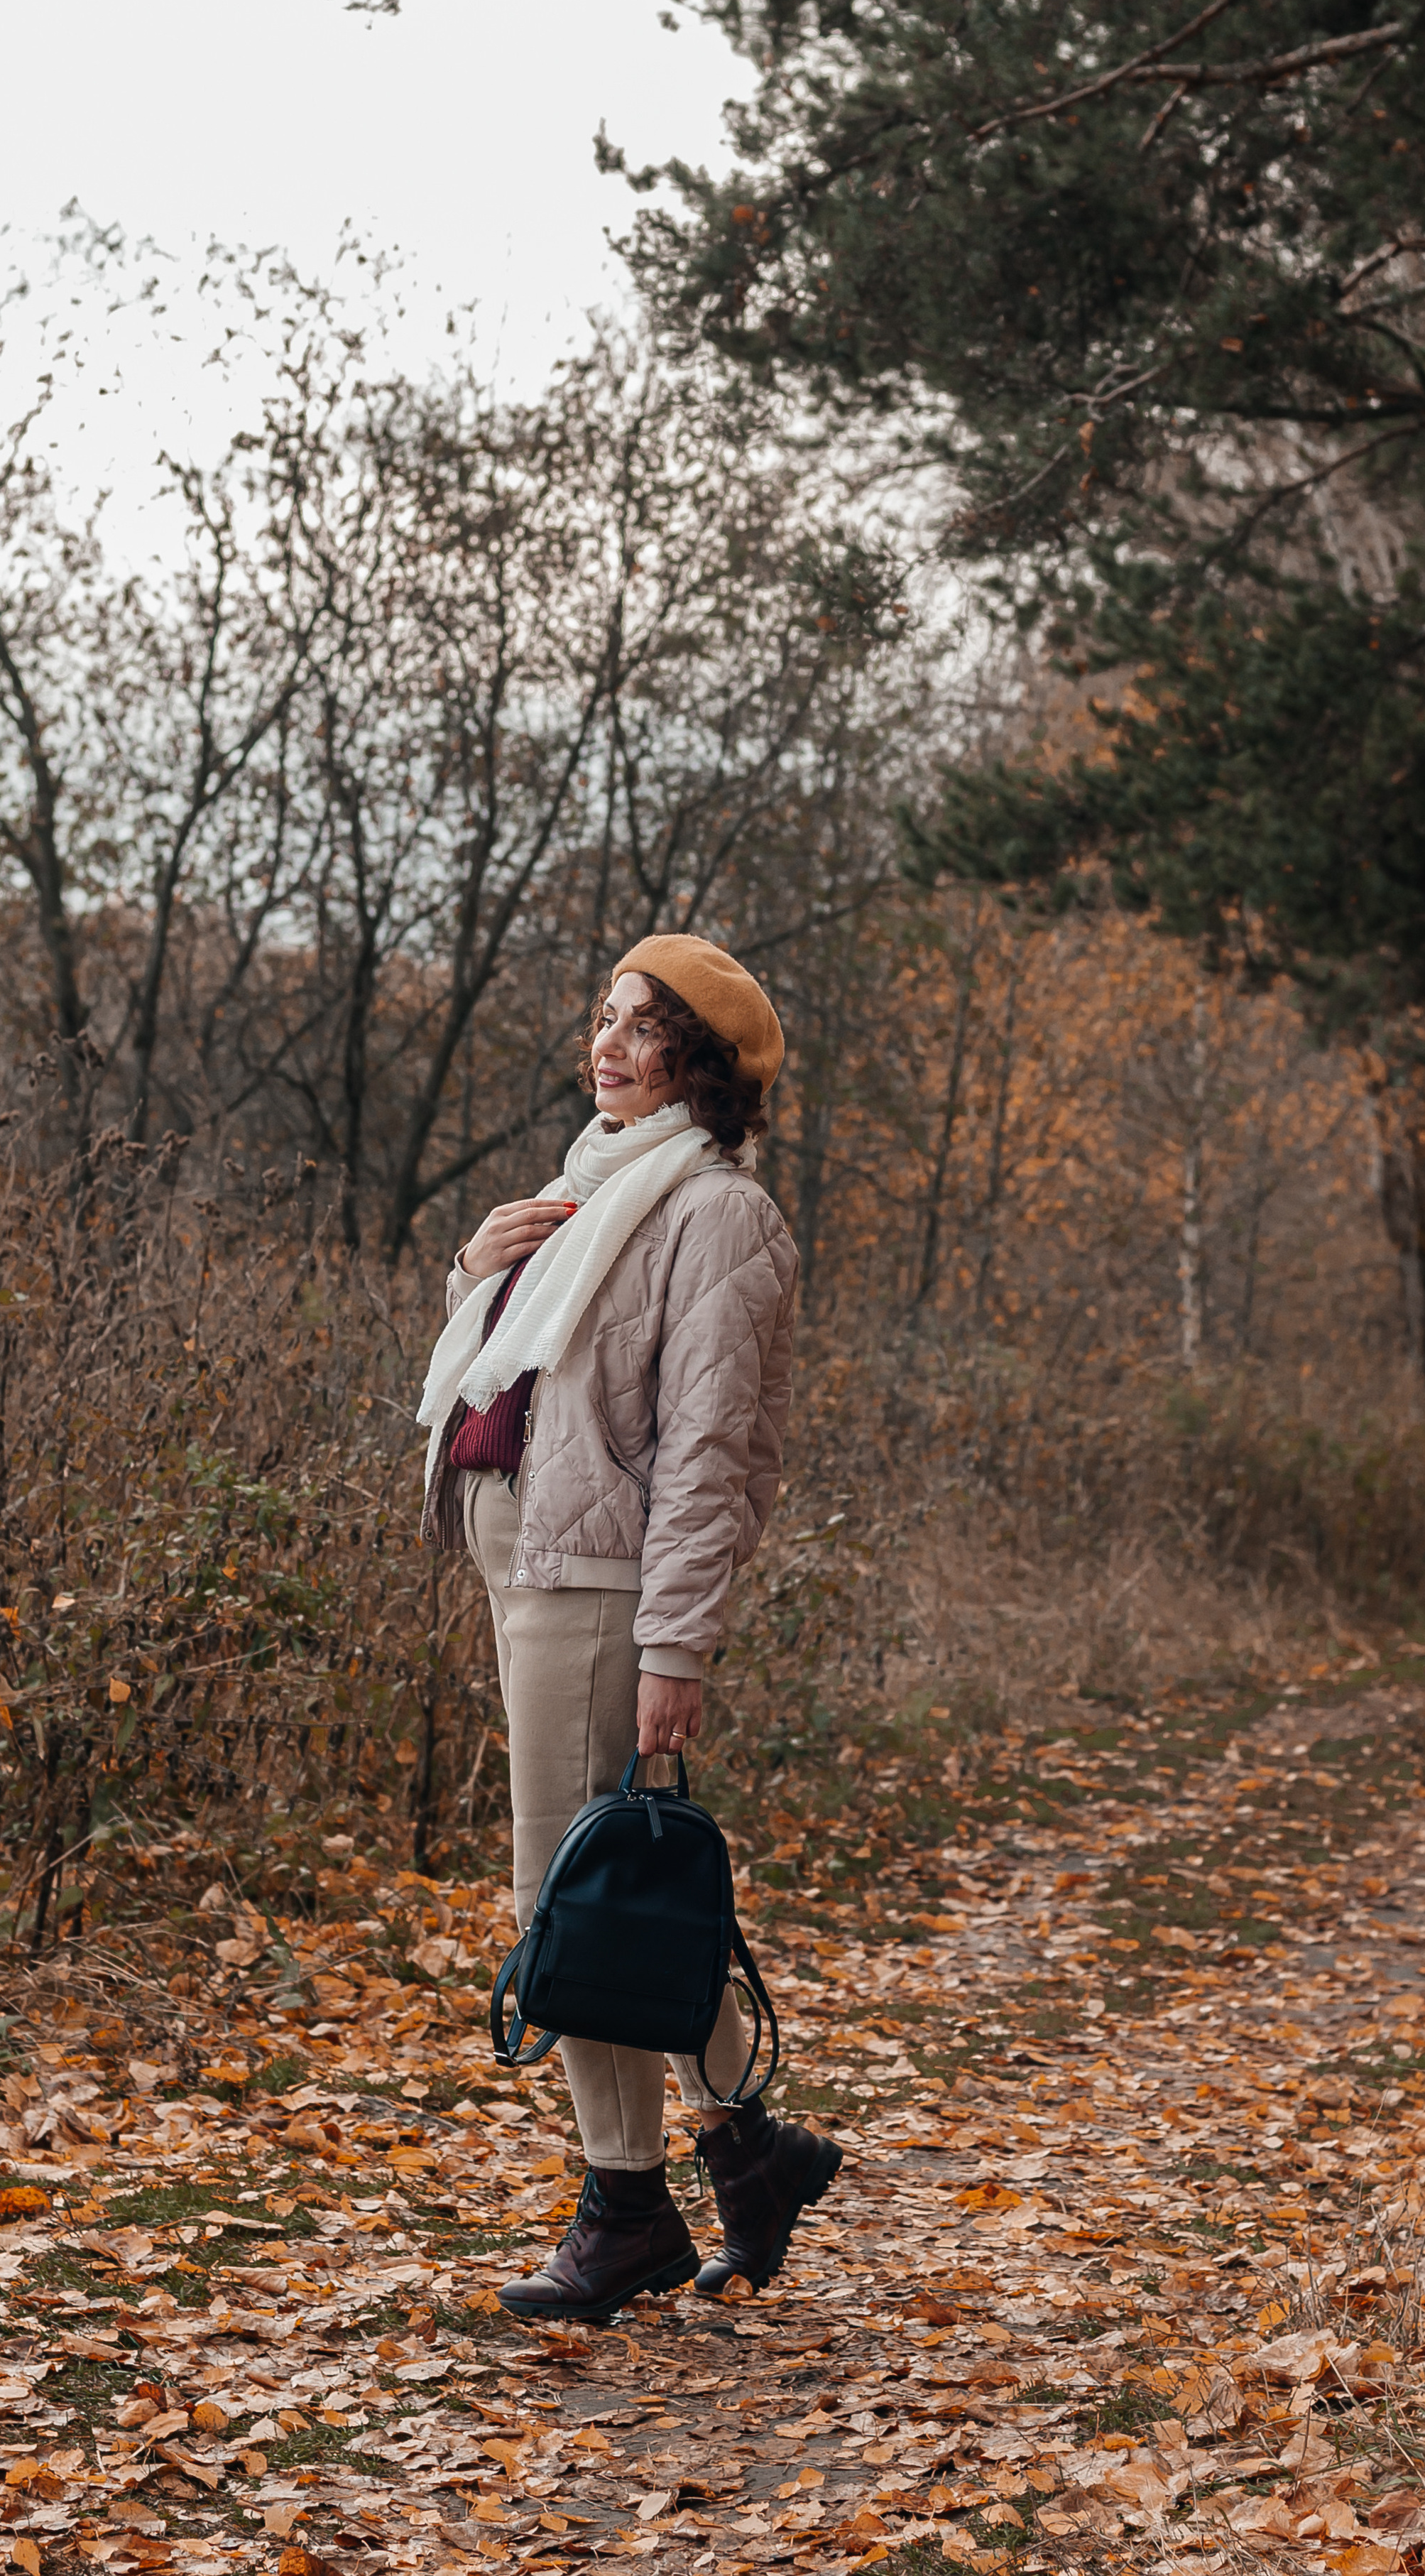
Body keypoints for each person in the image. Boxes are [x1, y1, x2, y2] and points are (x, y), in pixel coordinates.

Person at [416, 934, 841, 2320]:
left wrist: (675, 1647)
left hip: (597, 1587)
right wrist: (472, 1268)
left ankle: (627, 2206)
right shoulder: (590, 1189)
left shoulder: (716, 1214)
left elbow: (714, 1454)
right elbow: (515, 1377)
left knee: (569, 1897)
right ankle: (747, 2151)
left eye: (643, 1026)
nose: (607, 1044)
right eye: (604, 1015)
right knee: (609, 1888)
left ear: (699, 1066)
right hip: (531, 1560)